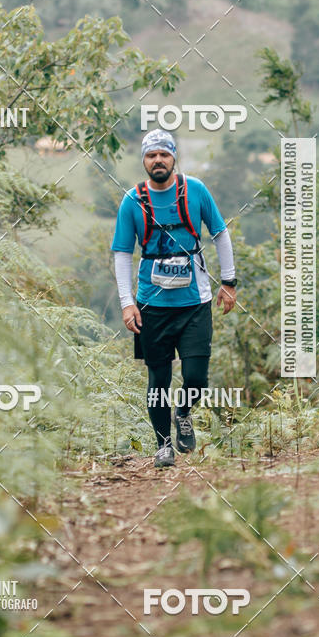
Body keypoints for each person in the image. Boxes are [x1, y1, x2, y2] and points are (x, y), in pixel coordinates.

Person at [111, 129, 237, 467]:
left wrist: (229, 281)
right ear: (144, 161)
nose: (158, 161)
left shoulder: (194, 190)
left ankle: (183, 412)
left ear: (173, 158)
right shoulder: (132, 201)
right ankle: (163, 444)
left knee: (196, 375)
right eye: (151, 156)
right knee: (159, 379)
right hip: (151, 305)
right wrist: (127, 302)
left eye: (163, 155)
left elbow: (221, 233)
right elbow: (122, 253)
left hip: (195, 302)